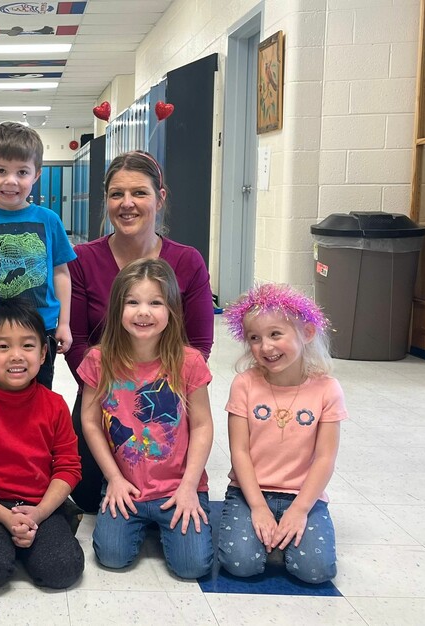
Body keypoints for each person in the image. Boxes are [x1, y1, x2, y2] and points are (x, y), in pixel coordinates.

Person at [67, 150, 214, 512]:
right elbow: (76, 343)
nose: (127, 203)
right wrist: (117, 390)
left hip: (165, 393)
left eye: (140, 193)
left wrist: (155, 392)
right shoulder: (83, 259)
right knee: (87, 498)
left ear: (160, 198)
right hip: (104, 390)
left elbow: (199, 344)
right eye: (117, 194)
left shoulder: (187, 261)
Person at [78, 259, 214, 579]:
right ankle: (145, 522)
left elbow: (203, 426)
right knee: (112, 557)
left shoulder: (189, 362)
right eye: (133, 302)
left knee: (191, 567)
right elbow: (90, 421)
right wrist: (113, 478)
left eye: (156, 302)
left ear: (171, 311)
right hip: (127, 487)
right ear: (117, 309)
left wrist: (190, 486)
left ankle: (168, 522)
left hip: (179, 487)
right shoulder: (99, 360)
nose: (143, 312)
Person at [0, 299, 84, 590]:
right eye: (3, 347)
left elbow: (68, 468)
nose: (16, 356)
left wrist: (39, 513)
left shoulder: (55, 406)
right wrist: (4, 517)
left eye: (27, 345)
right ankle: (9, 541)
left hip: (41, 503)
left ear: (44, 352)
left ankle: (29, 539)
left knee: (62, 570)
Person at [218, 283, 345, 583]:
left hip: (302, 494)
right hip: (249, 492)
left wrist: (300, 509)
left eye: (276, 334)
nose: (266, 347)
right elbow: (240, 452)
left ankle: (279, 535)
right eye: (254, 338)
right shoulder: (244, 384)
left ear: (307, 333)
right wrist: (259, 507)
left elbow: (325, 458)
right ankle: (269, 537)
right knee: (240, 564)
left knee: (316, 571)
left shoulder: (327, 390)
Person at [0, 121, 76, 389]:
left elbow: (61, 273)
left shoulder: (50, 220)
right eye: (1, 171)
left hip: (40, 329)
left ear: (37, 175)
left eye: (22, 172)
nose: (11, 181)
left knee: (39, 399)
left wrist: (64, 323)